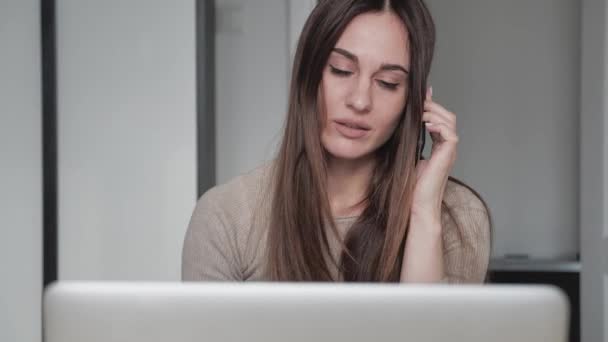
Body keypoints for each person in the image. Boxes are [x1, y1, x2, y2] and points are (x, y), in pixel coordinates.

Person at [182, 0, 491, 283]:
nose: (359, 101)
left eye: (388, 83)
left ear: (413, 100)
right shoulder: (227, 216)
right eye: (341, 70)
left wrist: (423, 214)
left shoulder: (459, 217)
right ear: (308, 74)